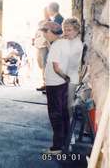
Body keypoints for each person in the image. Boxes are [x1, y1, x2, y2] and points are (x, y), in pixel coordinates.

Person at [40, 21, 70, 154]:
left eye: (45, 33)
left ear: (51, 32)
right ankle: (66, 141)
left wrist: (65, 77)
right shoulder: (63, 43)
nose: (44, 36)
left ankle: (57, 147)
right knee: (63, 113)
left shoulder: (56, 46)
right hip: (61, 85)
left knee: (55, 115)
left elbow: (56, 68)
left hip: (55, 84)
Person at [62, 18, 84, 119]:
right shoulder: (67, 41)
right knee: (62, 102)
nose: (66, 32)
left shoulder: (77, 44)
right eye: (65, 29)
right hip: (63, 75)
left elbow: (70, 62)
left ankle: (71, 130)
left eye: (69, 30)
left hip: (71, 77)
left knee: (69, 103)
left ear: (76, 30)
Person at [34, 7, 51, 92]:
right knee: (40, 64)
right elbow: (37, 32)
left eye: (47, 12)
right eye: (44, 12)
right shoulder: (41, 22)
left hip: (45, 46)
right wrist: (34, 39)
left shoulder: (51, 21)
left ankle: (46, 84)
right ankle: (44, 83)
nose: (45, 13)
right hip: (39, 45)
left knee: (46, 65)